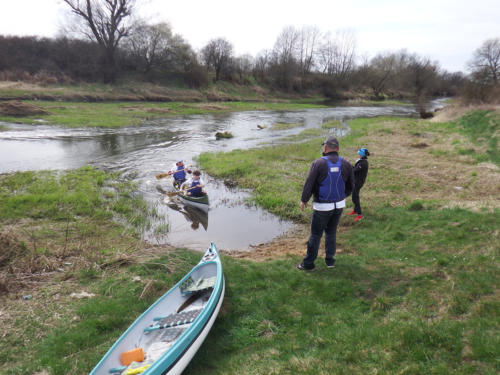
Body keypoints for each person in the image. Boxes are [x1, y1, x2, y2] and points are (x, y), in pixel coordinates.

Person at [297, 136, 354, 271]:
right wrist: (342, 197)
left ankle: (308, 264)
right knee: (331, 233)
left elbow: (309, 183)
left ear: (325, 148)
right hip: (339, 205)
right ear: (338, 149)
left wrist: (304, 200)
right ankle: (330, 261)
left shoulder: (318, 163)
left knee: (316, 235)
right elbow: (352, 185)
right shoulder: (346, 163)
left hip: (322, 206)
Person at [348, 148, 370, 222]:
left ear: (362, 155)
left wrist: (349, 166)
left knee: (355, 197)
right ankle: (355, 210)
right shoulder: (361, 161)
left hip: (358, 182)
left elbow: (354, 170)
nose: (358, 155)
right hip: (356, 181)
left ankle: (360, 214)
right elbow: (355, 169)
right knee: (354, 196)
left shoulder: (363, 163)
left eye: (359, 154)